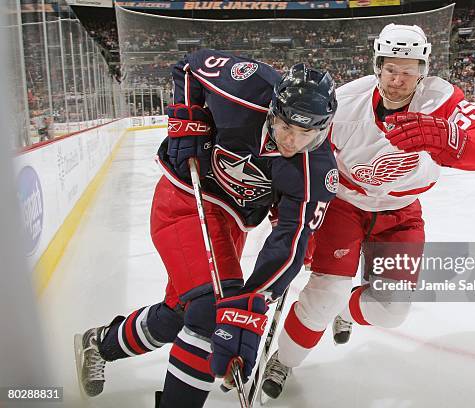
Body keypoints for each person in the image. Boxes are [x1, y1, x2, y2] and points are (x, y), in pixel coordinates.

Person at [74, 49, 338, 408]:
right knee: (211, 310)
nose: (291, 140)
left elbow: (288, 244)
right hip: (184, 197)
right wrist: (189, 113)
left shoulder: (317, 169)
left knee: (184, 311)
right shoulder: (249, 85)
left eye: (305, 133)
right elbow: (188, 67)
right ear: (274, 109)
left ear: (322, 129)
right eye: (285, 126)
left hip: (231, 222)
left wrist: (251, 302)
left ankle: (100, 342)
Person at [261, 23, 475, 399]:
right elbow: (303, 157)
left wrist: (448, 137)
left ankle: (344, 305)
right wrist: (294, 212)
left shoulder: (443, 99)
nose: (398, 80)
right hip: (345, 203)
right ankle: (285, 358)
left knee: (392, 310)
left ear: (423, 70)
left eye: (409, 71)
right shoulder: (345, 102)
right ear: (377, 65)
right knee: (323, 292)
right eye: (391, 69)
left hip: (401, 210)